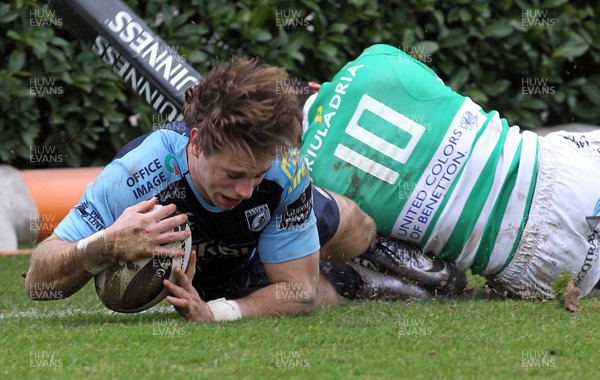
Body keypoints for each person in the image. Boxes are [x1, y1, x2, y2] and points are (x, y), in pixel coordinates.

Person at [25, 57, 459, 322]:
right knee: (323, 291)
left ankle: (386, 250)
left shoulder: (282, 171)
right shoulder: (138, 175)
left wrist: (215, 314)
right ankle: (362, 283)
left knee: (353, 227)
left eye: (256, 174)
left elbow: (296, 289)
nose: (247, 190)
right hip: (223, 276)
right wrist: (103, 247)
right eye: (233, 175)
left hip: (272, 231)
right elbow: (39, 279)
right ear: (196, 143)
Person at [301, 44, 600, 300]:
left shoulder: (311, 188)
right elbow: (446, 100)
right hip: (564, 177)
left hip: (535, 270)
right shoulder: (375, 60)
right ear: (316, 87)